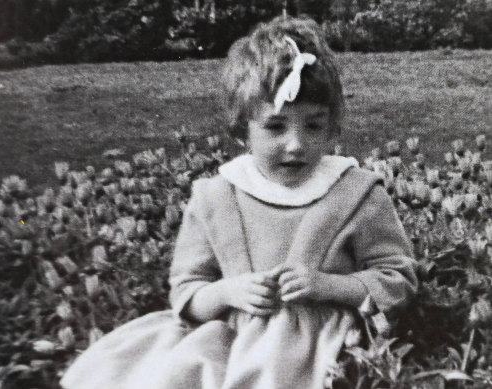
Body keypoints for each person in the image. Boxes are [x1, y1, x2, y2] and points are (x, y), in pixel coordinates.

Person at [60, 15, 418, 389]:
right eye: (276, 127)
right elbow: (187, 292)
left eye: (313, 126)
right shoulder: (217, 197)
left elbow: (398, 279)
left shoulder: (356, 193)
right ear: (242, 128)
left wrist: (327, 286)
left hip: (320, 344)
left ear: (333, 127)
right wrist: (228, 292)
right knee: (170, 371)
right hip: (229, 340)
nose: (296, 144)